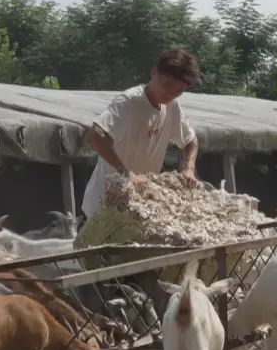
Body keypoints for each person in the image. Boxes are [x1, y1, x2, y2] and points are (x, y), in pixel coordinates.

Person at [80, 48, 200, 221]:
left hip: (137, 207)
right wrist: (126, 173)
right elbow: (96, 135)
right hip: (103, 206)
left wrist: (188, 168)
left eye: (179, 91)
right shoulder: (129, 102)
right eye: (167, 85)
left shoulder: (172, 106)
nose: (171, 94)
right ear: (154, 72)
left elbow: (191, 141)